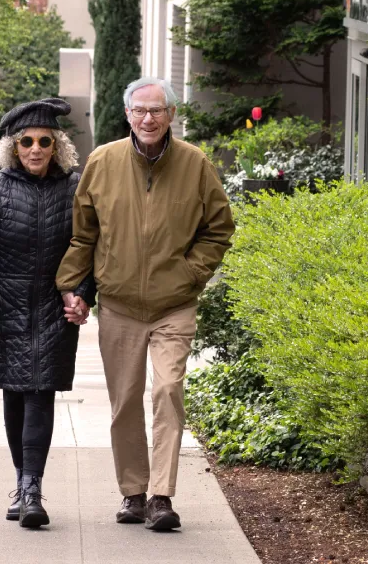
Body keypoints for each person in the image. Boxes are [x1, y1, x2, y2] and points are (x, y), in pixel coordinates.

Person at [56, 77, 235, 530]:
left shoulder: (195, 164)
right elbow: (84, 234)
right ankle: (133, 493)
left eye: (157, 110)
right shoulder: (103, 162)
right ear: (127, 115)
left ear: (172, 115)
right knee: (124, 402)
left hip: (174, 304)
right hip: (118, 304)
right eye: (140, 111)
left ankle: (161, 496)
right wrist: (71, 287)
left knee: (168, 391)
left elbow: (218, 229)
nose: (148, 119)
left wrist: (189, 274)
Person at [0, 98, 94, 529]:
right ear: (14, 147)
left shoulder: (74, 187)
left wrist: (84, 294)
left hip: (53, 311)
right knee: (14, 396)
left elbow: (91, 249)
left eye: (44, 141)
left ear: (57, 145)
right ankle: (23, 481)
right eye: (27, 141)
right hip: (4, 308)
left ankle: (31, 488)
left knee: (41, 393)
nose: (36, 149)